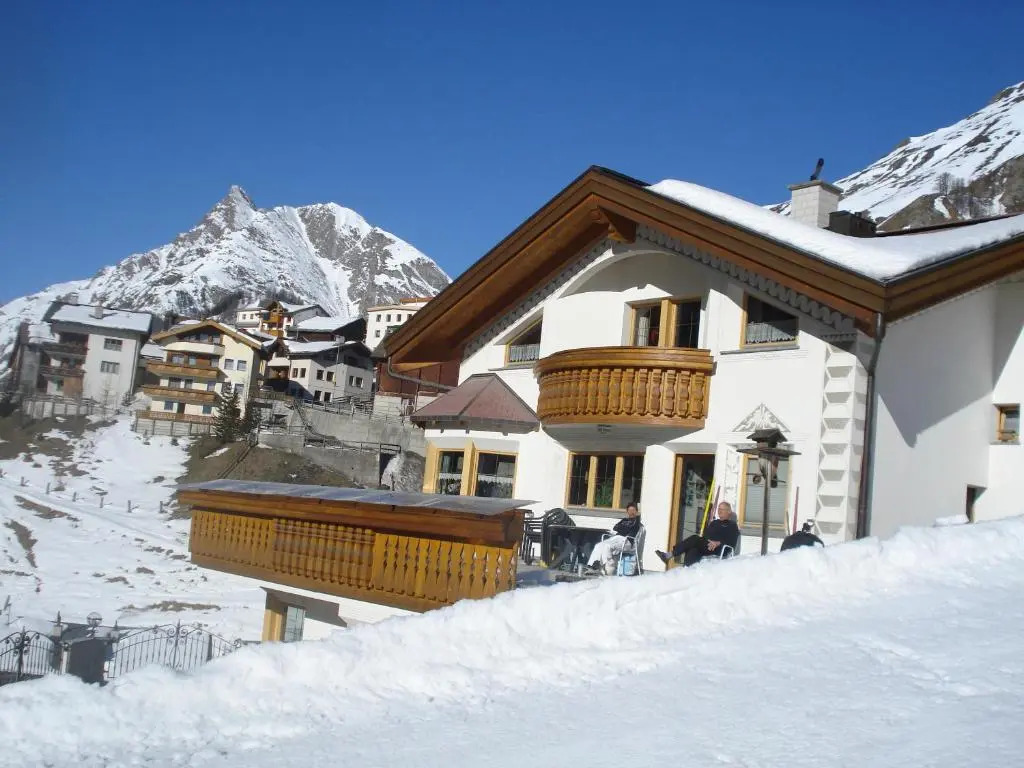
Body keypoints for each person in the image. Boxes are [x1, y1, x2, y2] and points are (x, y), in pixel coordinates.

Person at [656, 501, 740, 567]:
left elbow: (731, 542)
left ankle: (669, 555)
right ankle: (686, 572)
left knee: (695, 538)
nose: (719, 511)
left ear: (729, 511)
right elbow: (706, 536)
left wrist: (718, 543)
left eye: (722, 509)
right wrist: (708, 540)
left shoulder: (732, 525)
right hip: (708, 546)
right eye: (719, 508)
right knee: (693, 550)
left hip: (719, 549)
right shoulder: (714, 522)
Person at [586, 502, 642, 574]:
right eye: (629, 510)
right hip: (617, 538)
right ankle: (593, 566)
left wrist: (622, 529)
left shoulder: (636, 522)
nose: (631, 512)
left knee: (607, 546)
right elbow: (615, 527)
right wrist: (624, 529)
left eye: (633, 510)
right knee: (599, 545)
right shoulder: (624, 520)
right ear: (627, 511)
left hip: (627, 541)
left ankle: (607, 567)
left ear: (636, 511)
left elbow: (624, 529)